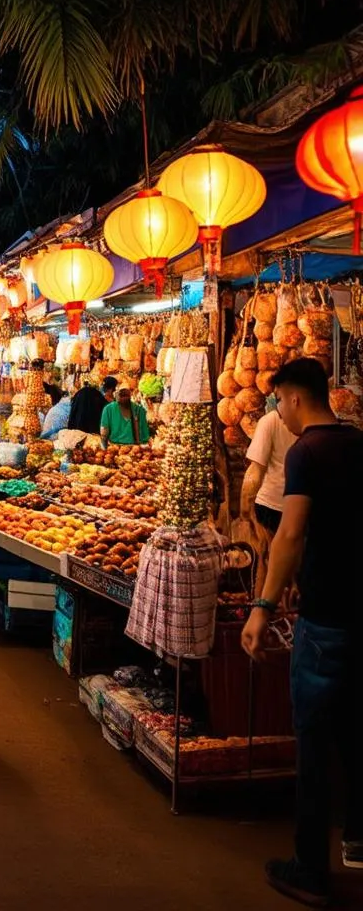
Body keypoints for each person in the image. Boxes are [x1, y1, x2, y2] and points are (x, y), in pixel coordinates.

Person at [241, 359, 363, 907]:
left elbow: (289, 534)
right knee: (359, 734)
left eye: (277, 402)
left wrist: (263, 604)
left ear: (292, 398)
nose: (278, 413)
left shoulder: (305, 452)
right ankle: (357, 838)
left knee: (312, 740)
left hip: (328, 618)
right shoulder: (359, 442)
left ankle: (309, 868)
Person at [241, 407, 296, 544]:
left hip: (270, 506)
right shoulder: (317, 421)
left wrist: (245, 512)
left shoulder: (270, 421)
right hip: (301, 506)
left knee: (267, 555)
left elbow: (255, 472)